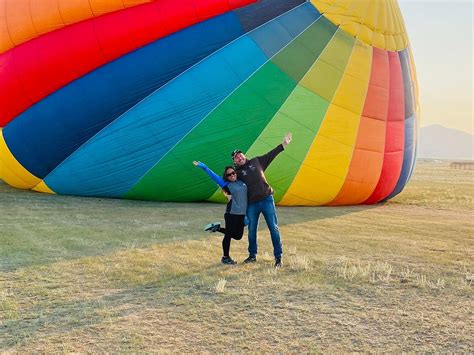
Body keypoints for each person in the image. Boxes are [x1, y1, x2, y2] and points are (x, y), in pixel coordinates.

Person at [232, 133, 292, 267]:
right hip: (252, 204)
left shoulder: (256, 161)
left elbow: (271, 154)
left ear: (244, 155)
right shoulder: (237, 175)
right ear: (234, 162)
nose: (239, 157)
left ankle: (278, 257)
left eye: (240, 155)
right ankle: (252, 256)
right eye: (236, 157)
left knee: (273, 227)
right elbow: (229, 184)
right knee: (252, 230)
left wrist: (283, 145)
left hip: (266, 200)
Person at [193, 161, 247, 265]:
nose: (232, 175)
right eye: (229, 175)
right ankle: (225, 257)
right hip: (231, 213)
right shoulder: (227, 185)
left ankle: (217, 228)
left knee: (238, 236)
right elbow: (214, 177)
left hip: (241, 214)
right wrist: (205, 167)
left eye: (233, 173)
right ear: (226, 177)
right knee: (228, 235)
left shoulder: (241, 182)